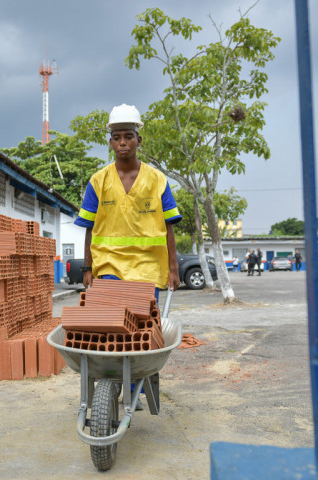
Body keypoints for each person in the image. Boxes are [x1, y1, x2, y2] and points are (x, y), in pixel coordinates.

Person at [74, 103, 181, 411]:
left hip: (148, 266)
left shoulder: (157, 180)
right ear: (110, 142)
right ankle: (114, 381)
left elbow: (169, 227)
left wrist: (173, 269)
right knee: (112, 326)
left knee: (142, 327)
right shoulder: (98, 180)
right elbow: (89, 229)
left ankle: (134, 384)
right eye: (117, 137)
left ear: (139, 140)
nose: (122, 143)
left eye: (128, 136)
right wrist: (87, 268)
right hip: (109, 264)